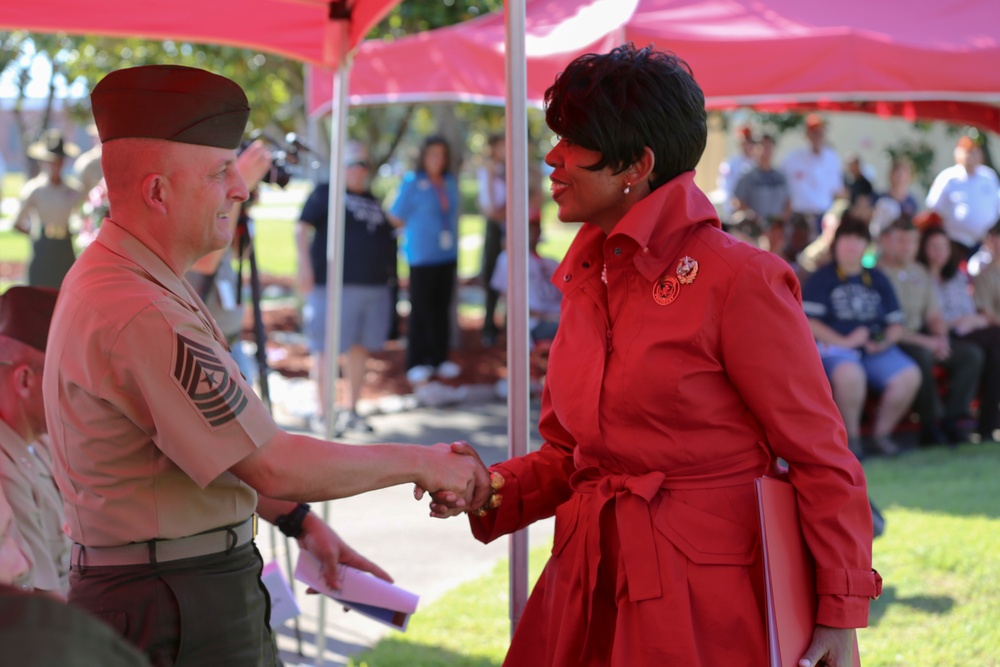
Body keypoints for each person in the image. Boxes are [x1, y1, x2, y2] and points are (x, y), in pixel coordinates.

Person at [429, 44, 879, 667]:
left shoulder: (741, 279)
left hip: (701, 608)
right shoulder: (589, 274)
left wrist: (839, 612)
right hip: (586, 584)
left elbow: (820, 457)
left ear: (636, 165)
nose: (553, 160)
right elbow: (572, 458)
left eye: (575, 141)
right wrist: (491, 488)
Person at [42, 65, 486, 666]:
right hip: (175, 599)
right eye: (220, 172)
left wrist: (302, 523)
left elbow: (215, 444)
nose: (241, 189)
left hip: (177, 586)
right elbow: (273, 463)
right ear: (157, 192)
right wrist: (425, 462)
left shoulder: (135, 280)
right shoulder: (137, 307)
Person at [296, 141, 399, 435]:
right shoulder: (325, 193)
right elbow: (300, 227)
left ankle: (350, 410)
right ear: (341, 166)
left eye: (363, 165)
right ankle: (323, 413)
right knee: (326, 349)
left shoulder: (372, 199)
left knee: (360, 349)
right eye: (353, 163)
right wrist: (304, 267)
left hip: (373, 286)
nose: (359, 170)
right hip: (334, 285)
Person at [802, 217, 921, 457]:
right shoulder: (821, 278)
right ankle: (852, 441)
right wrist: (845, 341)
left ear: (865, 246)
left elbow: (896, 324)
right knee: (850, 375)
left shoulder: (877, 278)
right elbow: (808, 322)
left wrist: (883, 342)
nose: (851, 246)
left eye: (858, 241)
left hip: (874, 348)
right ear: (836, 245)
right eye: (846, 240)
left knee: (909, 375)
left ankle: (881, 435)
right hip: (835, 349)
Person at [876, 217, 982, 445]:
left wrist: (941, 339)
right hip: (894, 342)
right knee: (922, 356)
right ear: (886, 241)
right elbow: (889, 328)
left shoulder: (920, 272)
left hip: (923, 337)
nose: (907, 247)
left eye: (912, 241)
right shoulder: (877, 275)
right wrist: (929, 343)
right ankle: (930, 423)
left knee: (970, 355)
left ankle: (952, 420)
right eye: (901, 241)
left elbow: (934, 315)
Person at [0, 286, 72, 598]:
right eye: (68, 379)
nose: (81, 395)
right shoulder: (6, 468)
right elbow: (46, 601)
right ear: (25, 380)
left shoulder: (38, 443)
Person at [186, 139, 272, 386]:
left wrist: (243, 201)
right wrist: (236, 187)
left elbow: (238, 252)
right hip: (201, 350)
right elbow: (206, 260)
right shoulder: (191, 194)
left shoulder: (222, 199)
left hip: (230, 340)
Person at [389, 135, 462, 385]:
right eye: (432, 154)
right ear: (423, 156)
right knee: (420, 310)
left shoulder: (449, 181)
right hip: (421, 257)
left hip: (446, 255)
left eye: (441, 154)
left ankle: (439, 358)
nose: (437, 159)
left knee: (442, 309)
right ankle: (416, 361)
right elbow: (395, 215)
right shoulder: (412, 181)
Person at [917, 225, 1000, 442]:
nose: (939, 252)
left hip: (969, 330)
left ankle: (983, 421)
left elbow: (972, 313)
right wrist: (964, 321)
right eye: (933, 247)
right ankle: (967, 421)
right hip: (943, 334)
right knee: (987, 348)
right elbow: (933, 320)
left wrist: (972, 320)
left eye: (943, 247)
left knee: (994, 351)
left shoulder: (956, 276)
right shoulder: (920, 277)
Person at [13, 129, 83, 288]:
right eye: (51, 161)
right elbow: (17, 222)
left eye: (59, 160)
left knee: (65, 292)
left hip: (65, 246)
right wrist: (35, 235)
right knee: (39, 294)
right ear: (43, 161)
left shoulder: (73, 190)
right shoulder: (34, 189)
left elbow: (82, 215)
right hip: (42, 247)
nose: (55, 165)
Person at [925, 135, 1000, 258]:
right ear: (957, 155)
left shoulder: (988, 176)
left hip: (984, 242)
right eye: (967, 152)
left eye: (975, 152)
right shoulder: (948, 177)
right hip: (955, 242)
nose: (971, 157)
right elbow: (933, 208)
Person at [489, 218, 562, 345]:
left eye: (536, 226)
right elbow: (508, 304)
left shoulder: (552, 262)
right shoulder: (508, 259)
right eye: (529, 227)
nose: (533, 231)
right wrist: (550, 316)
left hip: (561, 316)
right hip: (537, 324)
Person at [782, 114, 845, 236]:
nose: (817, 136)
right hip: (799, 216)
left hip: (822, 216)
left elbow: (838, 191)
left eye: (820, 132)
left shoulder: (832, 159)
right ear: (807, 135)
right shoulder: (793, 158)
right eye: (813, 132)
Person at [477, 132, 506, 347]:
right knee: (492, 275)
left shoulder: (511, 169)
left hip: (509, 227)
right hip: (496, 229)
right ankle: (489, 326)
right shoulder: (488, 170)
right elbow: (490, 207)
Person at [732, 133, 791, 231]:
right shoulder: (747, 176)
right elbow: (737, 201)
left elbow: (789, 202)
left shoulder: (781, 176)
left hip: (777, 229)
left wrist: (781, 219)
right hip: (754, 228)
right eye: (762, 146)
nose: (766, 150)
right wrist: (753, 216)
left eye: (769, 147)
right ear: (755, 149)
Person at [716, 123, 756, 223]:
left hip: (755, 214)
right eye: (744, 141)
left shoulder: (756, 163)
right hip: (736, 214)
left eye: (750, 141)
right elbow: (727, 191)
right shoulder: (730, 164)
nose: (747, 145)